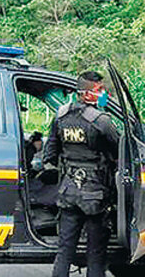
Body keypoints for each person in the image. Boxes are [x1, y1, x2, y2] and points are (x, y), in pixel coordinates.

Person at [39, 71, 120, 277]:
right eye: (99, 90)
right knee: (95, 252)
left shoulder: (61, 116)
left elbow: (49, 154)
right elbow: (120, 150)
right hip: (95, 194)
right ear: (85, 94)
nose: (104, 95)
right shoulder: (101, 121)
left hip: (69, 192)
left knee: (65, 249)